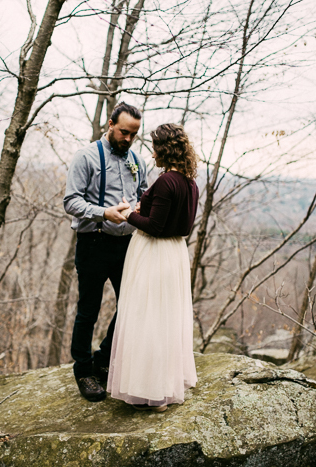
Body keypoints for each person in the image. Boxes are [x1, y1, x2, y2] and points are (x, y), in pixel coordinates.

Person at [107, 123, 199, 412]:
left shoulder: (165, 182)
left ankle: (149, 391)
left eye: (154, 147)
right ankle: (162, 386)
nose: (151, 152)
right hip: (174, 254)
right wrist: (138, 209)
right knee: (165, 319)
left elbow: (155, 227)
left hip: (155, 253)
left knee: (147, 318)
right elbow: (177, 223)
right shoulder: (189, 182)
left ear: (163, 149)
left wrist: (127, 215)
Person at [63, 102, 148, 402]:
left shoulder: (137, 159)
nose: (128, 139)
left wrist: (141, 207)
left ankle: (103, 358)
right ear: (111, 124)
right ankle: (84, 370)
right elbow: (70, 201)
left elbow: (143, 193)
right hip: (94, 242)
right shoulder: (85, 157)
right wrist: (104, 213)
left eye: (134, 135)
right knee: (89, 309)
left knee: (132, 305)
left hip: (127, 245)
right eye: (124, 132)